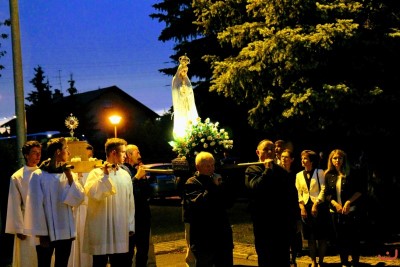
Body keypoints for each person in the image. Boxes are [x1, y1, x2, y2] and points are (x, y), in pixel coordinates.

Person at [24, 137, 85, 267]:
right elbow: (35, 206)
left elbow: (79, 197)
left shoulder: (69, 174)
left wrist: (69, 176)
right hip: (46, 232)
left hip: (65, 231)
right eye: (66, 149)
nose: (69, 153)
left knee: (62, 263)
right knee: (44, 263)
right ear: (58, 152)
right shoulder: (39, 175)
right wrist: (41, 233)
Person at [245, 139, 300, 267]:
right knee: (266, 258)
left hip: (281, 224)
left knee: (282, 258)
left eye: (272, 149)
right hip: (263, 224)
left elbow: (292, 196)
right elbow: (256, 187)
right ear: (258, 152)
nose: (270, 151)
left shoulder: (281, 171)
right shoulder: (252, 169)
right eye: (266, 149)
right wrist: (267, 170)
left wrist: (296, 218)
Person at [83, 138, 135, 267]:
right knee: (99, 262)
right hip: (102, 228)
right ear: (113, 152)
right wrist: (105, 176)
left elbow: (130, 202)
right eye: (123, 152)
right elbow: (94, 194)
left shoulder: (125, 175)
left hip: (119, 228)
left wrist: (130, 225)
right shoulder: (96, 173)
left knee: (120, 262)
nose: (125, 155)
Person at [183, 151, 234, 267]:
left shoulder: (217, 180)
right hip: (204, 238)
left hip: (222, 235)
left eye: (213, 165)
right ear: (198, 167)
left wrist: (224, 186)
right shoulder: (192, 183)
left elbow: (228, 203)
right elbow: (199, 204)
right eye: (207, 166)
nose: (211, 169)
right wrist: (213, 187)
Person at [6, 140, 42, 267]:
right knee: (27, 256)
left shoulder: (44, 173)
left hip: (43, 221)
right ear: (26, 155)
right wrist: (19, 228)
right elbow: (15, 204)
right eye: (34, 153)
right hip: (26, 221)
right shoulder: (17, 176)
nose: (38, 156)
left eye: (39, 152)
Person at [324, 149, 363, 267]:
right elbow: (327, 194)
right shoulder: (328, 174)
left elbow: (360, 191)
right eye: (334, 158)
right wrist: (335, 204)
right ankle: (344, 262)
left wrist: (348, 202)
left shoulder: (352, 172)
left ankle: (355, 261)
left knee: (353, 238)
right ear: (331, 160)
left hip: (351, 211)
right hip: (336, 212)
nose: (337, 160)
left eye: (339, 158)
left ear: (343, 159)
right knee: (340, 239)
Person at [120, 144, 156, 267]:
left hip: (143, 216)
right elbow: (127, 191)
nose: (140, 156)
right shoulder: (123, 170)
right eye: (137, 153)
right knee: (128, 253)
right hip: (131, 218)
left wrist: (144, 179)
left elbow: (147, 194)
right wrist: (137, 177)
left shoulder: (137, 169)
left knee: (143, 251)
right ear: (129, 155)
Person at [295, 150, 329, 267]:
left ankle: (321, 261)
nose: (302, 161)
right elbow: (298, 192)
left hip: (319, 207)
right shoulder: (298, 175)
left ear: (311, 161)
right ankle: (313, 261)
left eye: (305, 158)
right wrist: (301, 207)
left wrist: (316, 204)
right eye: (302, 159)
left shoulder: (319, 172)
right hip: (306, 207)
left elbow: (324, 189)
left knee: (321, 237)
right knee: (310, 237)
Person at [281, 149, 303, 266]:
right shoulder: (277, 172)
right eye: (282, 156)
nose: (283, 159)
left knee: (293, 235)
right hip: (280, 208)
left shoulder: (295, 174)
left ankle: (293, 258)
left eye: (286, 157)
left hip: (292, 208)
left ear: (292, 159)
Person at [171, 54, 199, 139]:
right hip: (181, 106)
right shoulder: (176, 81)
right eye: (182, 70)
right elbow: (175, 92)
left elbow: (190, 93)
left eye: (185, 71)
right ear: (179, 70)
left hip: (188, 106)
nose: (184, 72)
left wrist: (187, 94)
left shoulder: (187, 82)